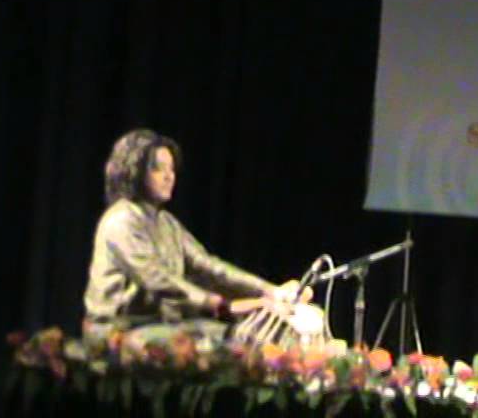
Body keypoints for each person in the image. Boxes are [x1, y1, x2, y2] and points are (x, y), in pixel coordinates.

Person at [82, 128, 310, 348]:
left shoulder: (167, 223)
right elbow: (157, 278)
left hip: (159, 327)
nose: (168, 176)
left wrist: (270, 291)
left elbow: (207, 266)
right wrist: (220, 305)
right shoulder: (121, 220)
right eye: (157, 169)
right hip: (118, 331)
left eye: (171, 169)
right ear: (134, 170)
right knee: (226, 342)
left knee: (251, 334)